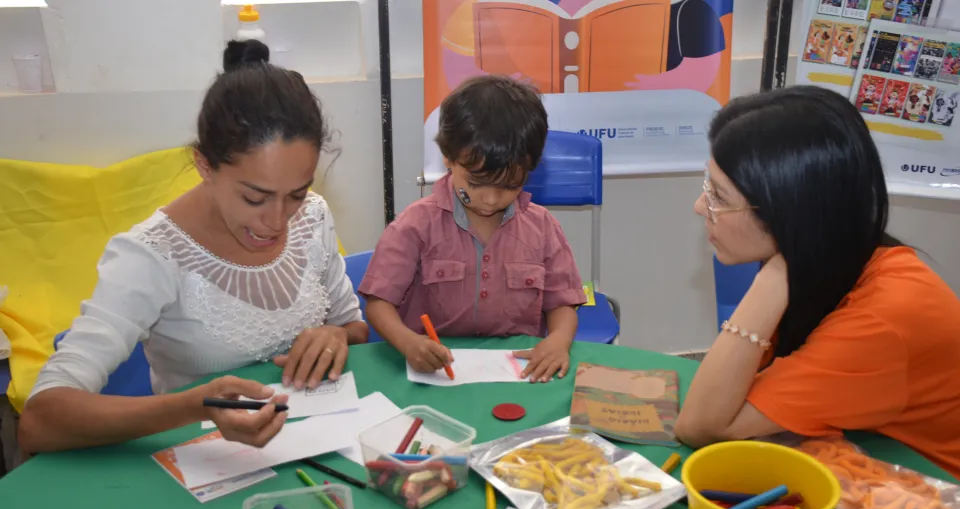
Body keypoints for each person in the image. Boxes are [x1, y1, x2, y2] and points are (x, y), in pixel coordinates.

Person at [18, 40, 368, 454]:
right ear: (205, 166)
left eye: (296, 193)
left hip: (310, 445)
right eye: (254, 198)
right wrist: (194, 405)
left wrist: (335, 334)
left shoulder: (312, 216)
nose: (277, 221)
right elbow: (40, 421)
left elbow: (353, 326)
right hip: (204, 461)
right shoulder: (152, 255)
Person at [675, 86, 960, 480]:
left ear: (789, 211)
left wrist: (776, 275)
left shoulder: (883, 318)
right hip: (864, 461)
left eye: (718, 196)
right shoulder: (829, 257)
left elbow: (701, 425)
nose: (700, 207)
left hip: (926, 495)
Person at [359, 75, 586, 383]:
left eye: (510, 186)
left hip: (516, 374)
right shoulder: (414, 225)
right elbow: (378, 304)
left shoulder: (543, 228)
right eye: (477, 184)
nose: (491, 199)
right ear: (449, 157)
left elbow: (562, 302)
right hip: (434, 374)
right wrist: (408, 342)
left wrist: (558, 341)